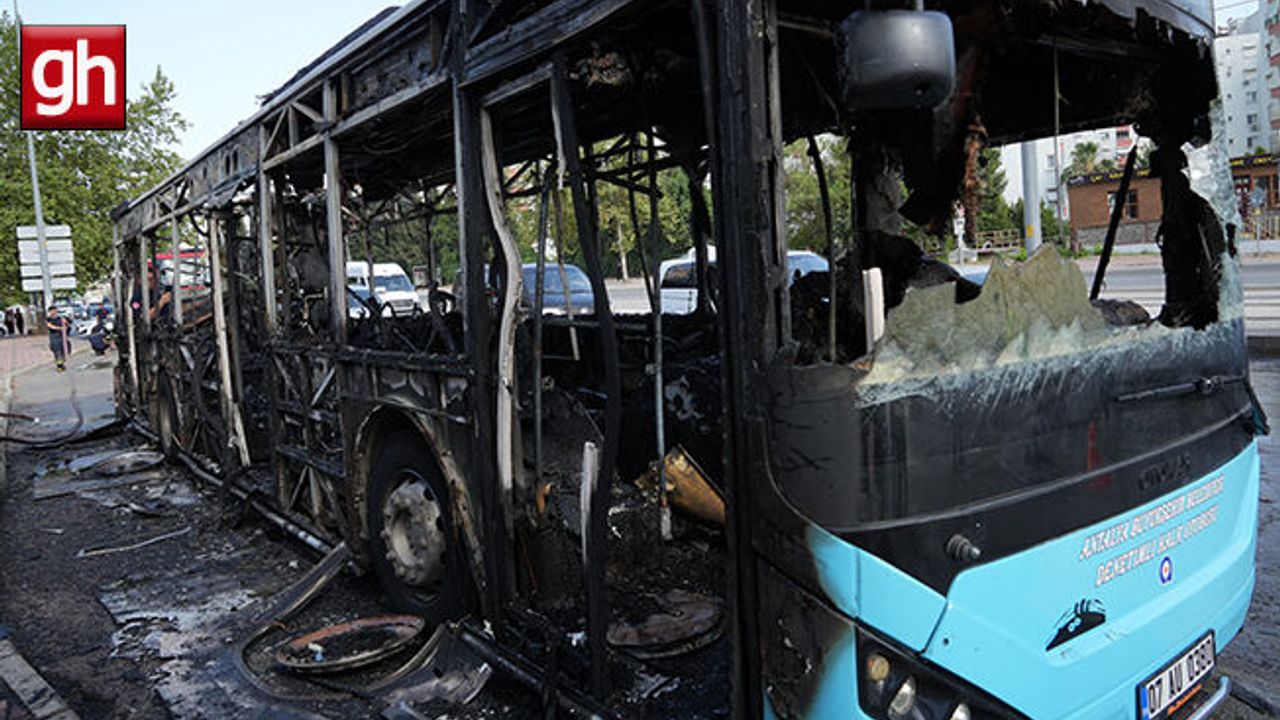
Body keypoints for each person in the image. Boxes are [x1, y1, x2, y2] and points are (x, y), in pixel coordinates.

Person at [46, 306, 71, 372]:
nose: (53, 312)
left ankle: (62, 364)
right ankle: (59, 366)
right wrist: (60, 328)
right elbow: (50, 326)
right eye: (51, 311)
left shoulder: (60, 318)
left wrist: (66, 322)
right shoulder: (48, 319)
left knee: (63, 349)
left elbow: (68, 325)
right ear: (49, 312)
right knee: (57, 351)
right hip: (54, 336)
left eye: (54, 310)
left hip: (61, 336)